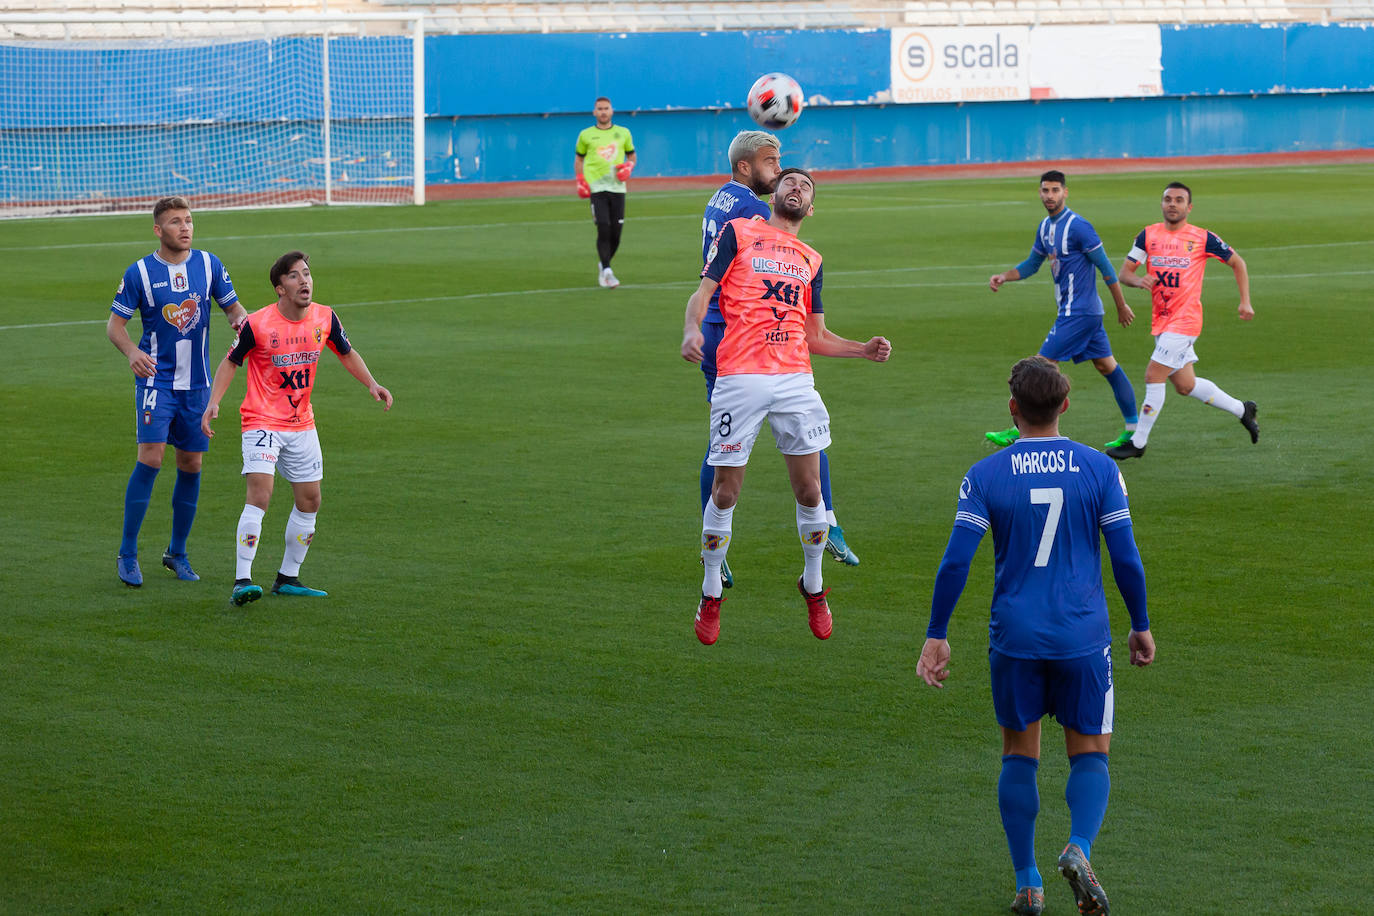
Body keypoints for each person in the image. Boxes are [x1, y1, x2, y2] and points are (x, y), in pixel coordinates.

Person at [918, 356, 1155, 916]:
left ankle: (1027, 882)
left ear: (1012, 409)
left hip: (1015, 638)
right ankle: (1078, 847)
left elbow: (956, 562)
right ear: (1065, 405)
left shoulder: (986, 474)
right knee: (1090, 756)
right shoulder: (1099, 468)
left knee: (1019, 757)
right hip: (1082, 636)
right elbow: (1125, 557)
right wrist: (1140, 625)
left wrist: (936, 633)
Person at [681, 168, 891, 646]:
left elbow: (815, 335)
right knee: (726, 492)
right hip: (740, 377)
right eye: (789, 182)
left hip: (795, 379)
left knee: (811, 492)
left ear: (811, 207)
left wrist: (863, 349)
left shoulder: (811, 259)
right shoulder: (739, 232)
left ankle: (814, 587)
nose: (796, 187)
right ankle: (711, 591)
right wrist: (692, 329)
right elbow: (703, 292)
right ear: (773, 194)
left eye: (805, 187)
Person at [696, 131, 860, 590]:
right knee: (754, 444)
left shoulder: (723, 199)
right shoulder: (752, 214)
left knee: (724, 439)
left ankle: (714, 539)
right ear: (747, 167)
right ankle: (827, 517)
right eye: (774, 164)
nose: (781, 172)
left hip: (721, 329)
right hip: (740, 332)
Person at [201, 251, 392, 606]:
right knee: (260, 494)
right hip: (260, 420)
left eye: (307, 274)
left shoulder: (325, 317)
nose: (304, 281)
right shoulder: (257, 324)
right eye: (294, 276)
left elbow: (346, 352)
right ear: (279, 288)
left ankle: (288, 577)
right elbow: (231, 362)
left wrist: (371, 383)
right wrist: (214, 401)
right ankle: (242, 579)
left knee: (310, 500)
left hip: (302, 423)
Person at [106, 195, 249, 587]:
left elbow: (232, 308)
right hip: (156, 382)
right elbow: (115, 327)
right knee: (150, 459)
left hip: (198, 385)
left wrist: (240, 321)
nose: (184, 227)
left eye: (188, 220)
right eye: (175, 222)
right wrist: (132, 351)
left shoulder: (210, 264)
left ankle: (177, 553)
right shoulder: (139, 272)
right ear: (158, 229)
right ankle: (128, 553)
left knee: (191, 465)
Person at [985, 170, 1147, 451]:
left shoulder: (1079, 227)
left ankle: (1018, 429)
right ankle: (1134, 431)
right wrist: (1004, 276)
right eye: (1045, 190)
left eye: (1055, 190)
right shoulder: (1045, 227)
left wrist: (1121, 306)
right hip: (1081, 312)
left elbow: (1107, 269)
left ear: (1065, 192)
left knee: (1039, 366)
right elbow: (1032, 265)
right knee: (1106, 365)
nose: (1050, 196)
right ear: (1039, 192)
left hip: (1079, 312)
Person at [1106, 180, 1258, 460]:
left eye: (1178, 200)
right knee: (1186, 385)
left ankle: (1138, 442)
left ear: (1189, 207)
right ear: (1162, 203)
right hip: (1162, 322)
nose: (1172, 204)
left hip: (1185, 322)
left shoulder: (1202, 238)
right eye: (1167, 199)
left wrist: (1245, 301)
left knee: (1153, 375)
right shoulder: (1147, 236)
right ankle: (1242, 410)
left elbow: (1238, 262)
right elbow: (1124, 273)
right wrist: (1139, 281)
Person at [573, 96, 635, 289]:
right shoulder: (585, 135)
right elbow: (579, 160)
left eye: (606, 108)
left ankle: (603, 263)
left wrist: (629, 167)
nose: (603, 112)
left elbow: (631, 155)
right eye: (599, 109)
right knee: (603, 227)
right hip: (597, 188)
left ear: (611, 111)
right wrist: (581, 180)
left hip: (617, 188)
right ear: (594, 112)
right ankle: (607, 271)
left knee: (616, 234)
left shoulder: (623, 133)